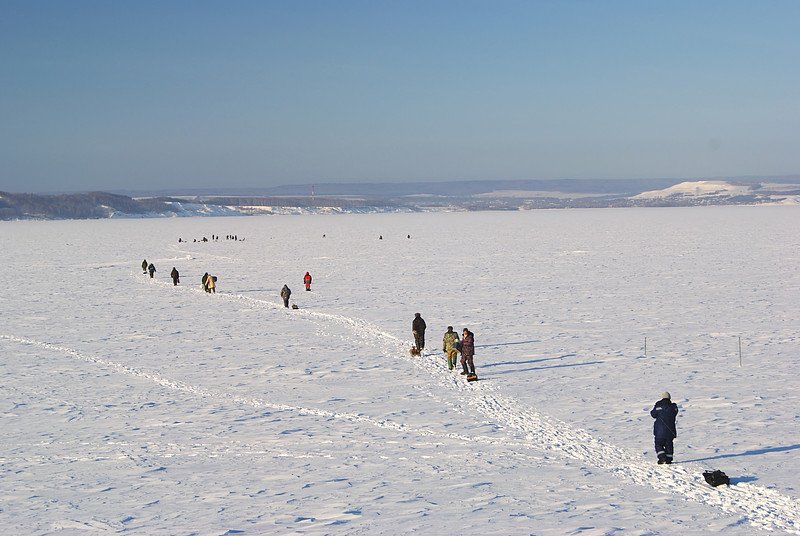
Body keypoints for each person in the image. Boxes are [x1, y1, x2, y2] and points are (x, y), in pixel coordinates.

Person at [650, 391, 679, 464]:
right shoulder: (673, 407)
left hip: (659, 430)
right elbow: (675, 412)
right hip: (670, 430)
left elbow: (653, 414)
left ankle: (662, 457)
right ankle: (669, 459)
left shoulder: (658, 405)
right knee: (669, 443)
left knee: (658, 444)